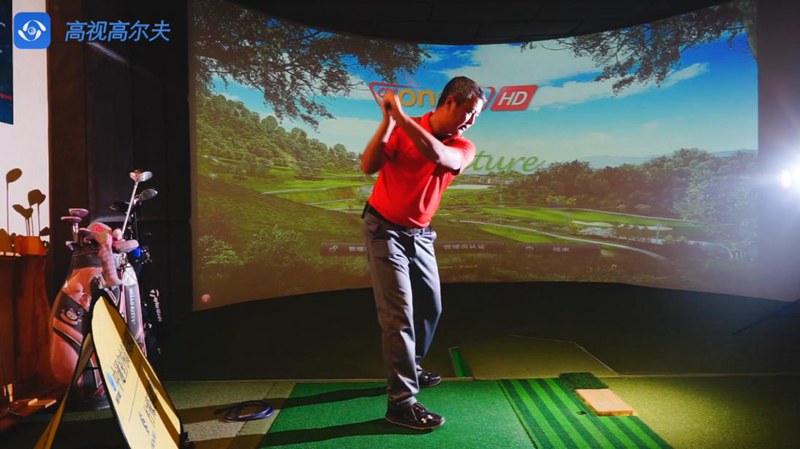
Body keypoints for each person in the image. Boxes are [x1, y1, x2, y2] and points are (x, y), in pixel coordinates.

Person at [360, 76, 485, 430]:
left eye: (477, 116)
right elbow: (368, 166)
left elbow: (439, 155)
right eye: (469, 112)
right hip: (384, 229)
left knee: (430, 307)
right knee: (398, 315)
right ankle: (401, 403)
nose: (471, 121)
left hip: (421, 234)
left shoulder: (463, 145)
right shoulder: (403, 127)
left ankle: (411, 367)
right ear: (450, 102)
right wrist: (388, 122)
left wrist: (400, 118)